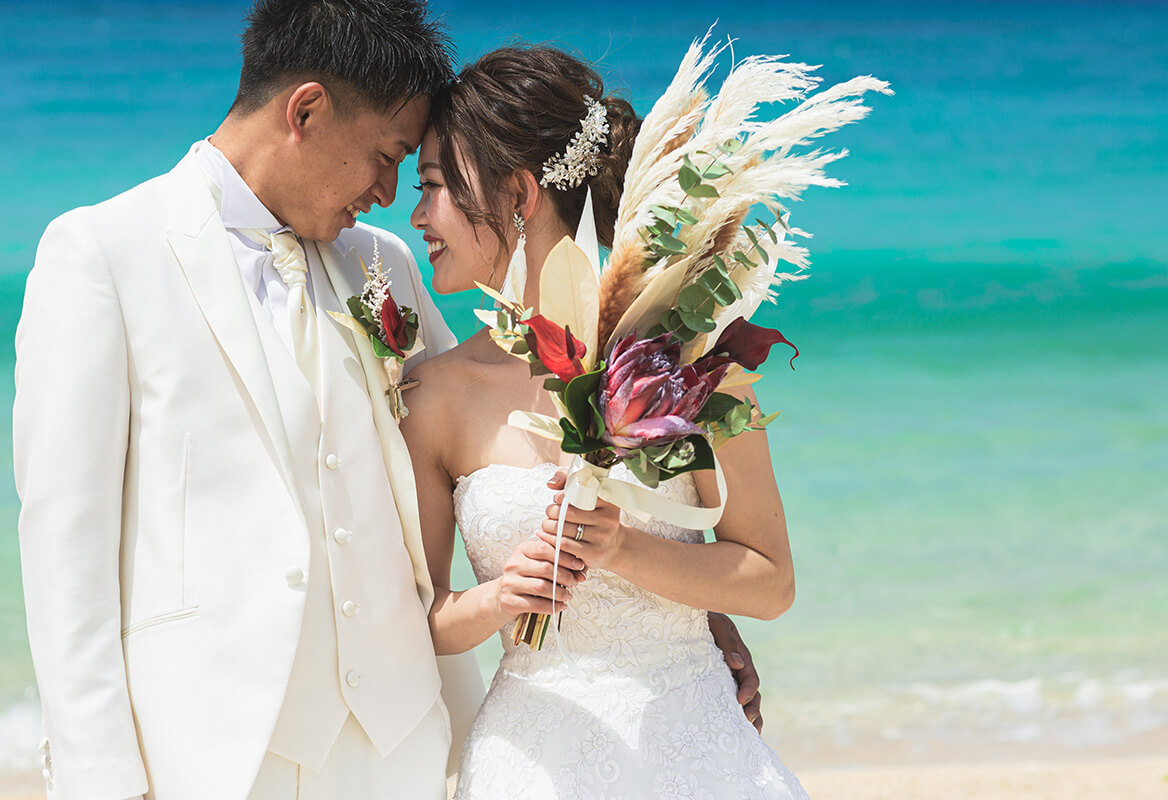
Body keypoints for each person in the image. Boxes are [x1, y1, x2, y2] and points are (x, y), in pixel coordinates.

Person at [13, 3, 763, 799]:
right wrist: (99, 780)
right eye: (386, 155)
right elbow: (67, 554)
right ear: (305, 110)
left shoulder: (386, 266)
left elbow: (538, 430)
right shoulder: (103, 256)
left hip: (397, 751)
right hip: (211, 756)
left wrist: (678, 614)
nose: (386, 191)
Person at [403, 46, 806, 798]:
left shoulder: (688, 353)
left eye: (432, 187)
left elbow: (770, 579)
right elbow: (418, 619)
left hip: (697, 750)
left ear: (519, 194)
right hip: (531, 759)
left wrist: (621, 548)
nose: (419, 216)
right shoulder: (435, 393)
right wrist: (500, 598)